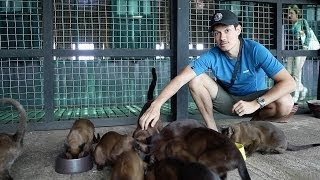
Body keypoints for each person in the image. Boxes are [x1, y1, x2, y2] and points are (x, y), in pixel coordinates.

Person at [139, 10, 296, 131]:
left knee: (286, 102)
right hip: (228, 102)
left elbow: (289, 83)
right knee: (195, 78)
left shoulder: (255, 49)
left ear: (238, 30)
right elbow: (181, 78)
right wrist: (156, 105)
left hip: (254, 102)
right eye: (217, 33)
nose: (222, 38)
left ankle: (250, 127)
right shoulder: (212, 54)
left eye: (227, 31)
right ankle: (212, 128)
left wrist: (255, 104)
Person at [286, 5, 310, 102]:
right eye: (289, 13)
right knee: (288, 73)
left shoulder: (302, 22)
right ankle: (303, 89)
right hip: (291, 50)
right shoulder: (291, 24)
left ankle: (295, 96)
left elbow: (308, 35)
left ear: (297, 13)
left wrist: (305, 47)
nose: (289, 15)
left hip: (300, 50)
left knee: (296, 73)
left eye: (291, 13)